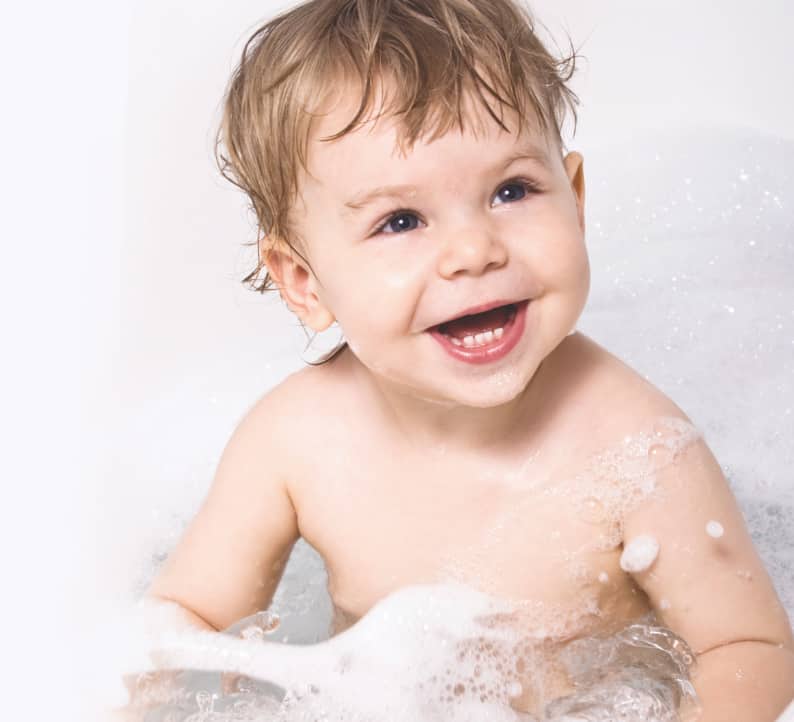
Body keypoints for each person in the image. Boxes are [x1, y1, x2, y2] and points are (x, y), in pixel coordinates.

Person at [145, 0, 794, 719]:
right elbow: (187, 620)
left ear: (575, 202)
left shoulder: (635, 445)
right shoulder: (294, 441)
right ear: (303, 281)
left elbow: (750, 648)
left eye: (511, 191)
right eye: (401, 220)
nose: (474, 250)